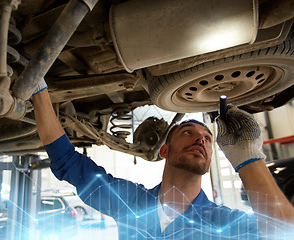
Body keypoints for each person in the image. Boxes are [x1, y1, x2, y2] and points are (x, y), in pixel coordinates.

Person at [31, 79, 294, 239]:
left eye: (207, 137)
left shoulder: (222, 221)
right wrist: (39, 89)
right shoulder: (129, 202)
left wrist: (249, 159)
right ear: (164, 151)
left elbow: (284, 232)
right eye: (188, 132)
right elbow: (66, 161)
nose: (201, 139)